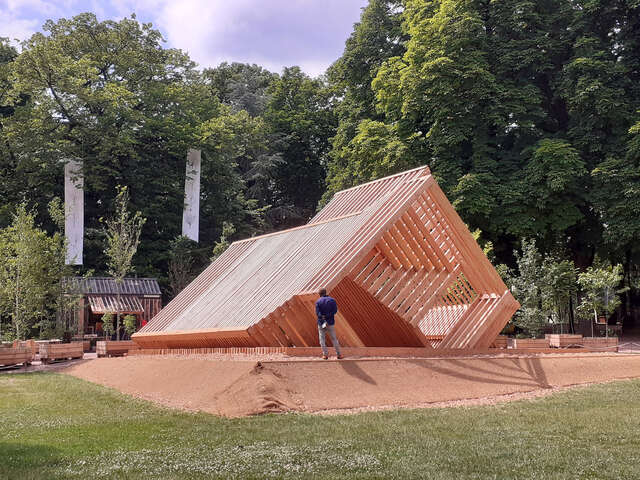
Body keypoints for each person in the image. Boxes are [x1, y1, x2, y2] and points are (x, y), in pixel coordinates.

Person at [315, 288, 343, 360]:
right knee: (334, 339)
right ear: (325, 292)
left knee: (322, 339)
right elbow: (335, 311)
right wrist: (328, 316)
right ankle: (339, 354)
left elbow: (318, 313)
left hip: (321, 323)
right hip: (330, 322)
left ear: (319, 294)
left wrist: (323, 317)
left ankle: (325, 355)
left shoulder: (318, 301)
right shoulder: (332, 300)